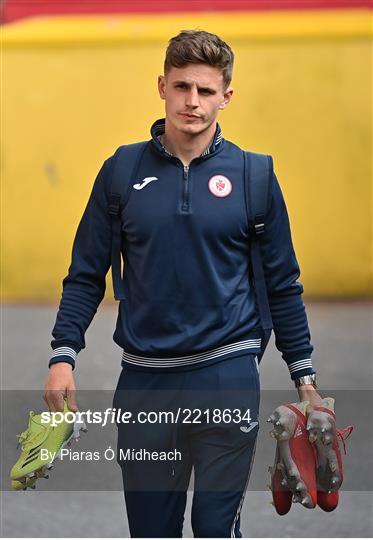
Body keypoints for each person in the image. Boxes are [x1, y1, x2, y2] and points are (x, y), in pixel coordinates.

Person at [43, 29, 323, 538]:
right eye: (181, 87)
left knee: (216, 529)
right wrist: (63, 356)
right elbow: (85, 274)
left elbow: (283, 284)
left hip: (228, 375)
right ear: (162, 87)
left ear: (226, 97)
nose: (192, 101)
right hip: (146, 382)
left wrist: (305, 377)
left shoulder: (254, 176)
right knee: (152, 531)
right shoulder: (121, 171)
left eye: (206, 91)